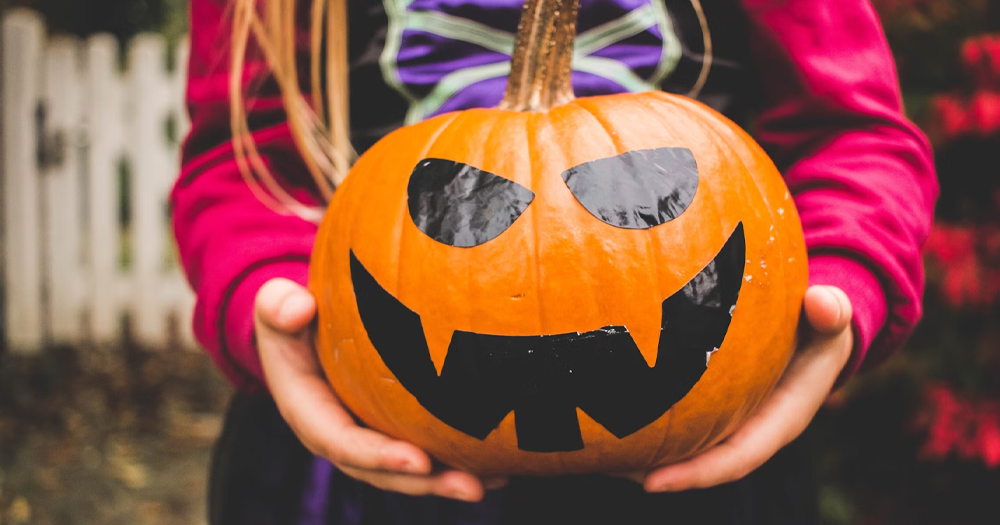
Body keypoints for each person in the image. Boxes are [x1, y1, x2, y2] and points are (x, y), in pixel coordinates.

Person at [172, 0, 938, 523]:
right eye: (458, 206)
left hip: (709, 450)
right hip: (358, 458)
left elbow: (854, 132)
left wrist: (842, 282)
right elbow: (241, 156)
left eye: (644, 195)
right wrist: (265, 300)